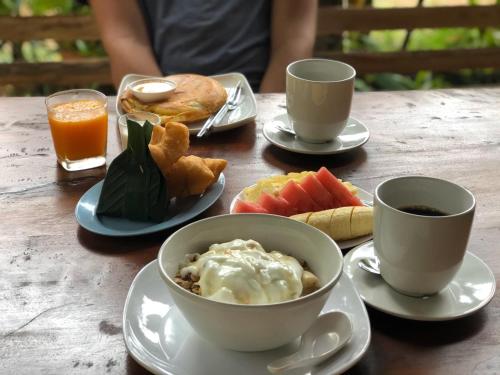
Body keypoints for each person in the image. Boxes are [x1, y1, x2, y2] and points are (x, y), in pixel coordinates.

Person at [90, 0, 318, 93]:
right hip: (162, 100)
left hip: (260, 100)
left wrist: (263, 122)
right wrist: (167, 118)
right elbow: (125, 38)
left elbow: (293, 39)